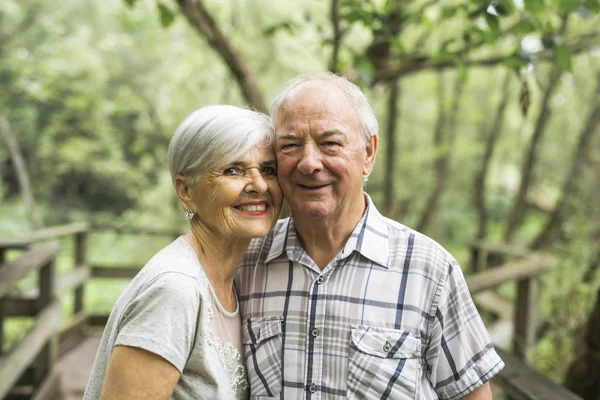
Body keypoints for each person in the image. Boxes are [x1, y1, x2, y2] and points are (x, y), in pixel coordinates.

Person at [236, 73, 504, 399]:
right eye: (290, 145)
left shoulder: (428, 270)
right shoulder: (245, 262)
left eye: (330, 143)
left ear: (368, 153)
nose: (308, 163)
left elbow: (472, 394)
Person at [84, 105, 283, 400]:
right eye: (232, 170)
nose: (259, 184)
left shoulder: (239, 280)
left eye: (268, 169)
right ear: (186, 191)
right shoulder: (175, 289)